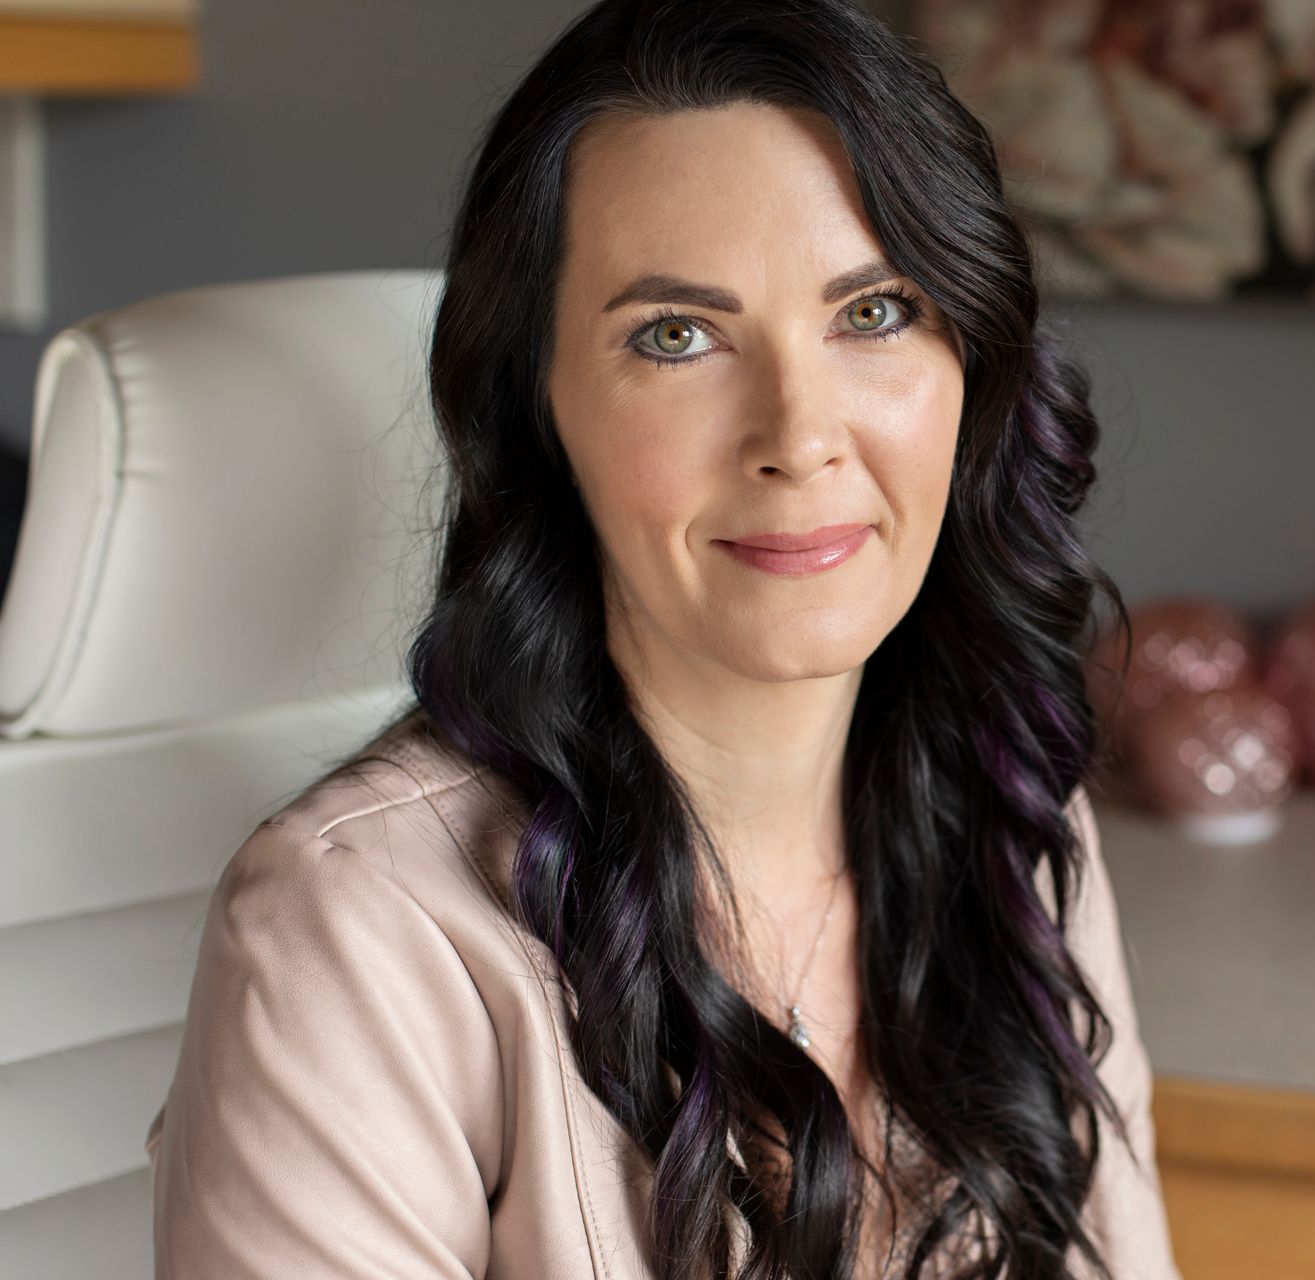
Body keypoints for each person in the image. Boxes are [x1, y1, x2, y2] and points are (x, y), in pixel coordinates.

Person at [147, 1, 1183, 1277]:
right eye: (677, 336)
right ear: (537, 409)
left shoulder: (1013, 816)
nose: (799, 435)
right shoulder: (362, 927)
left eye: (873, 312)